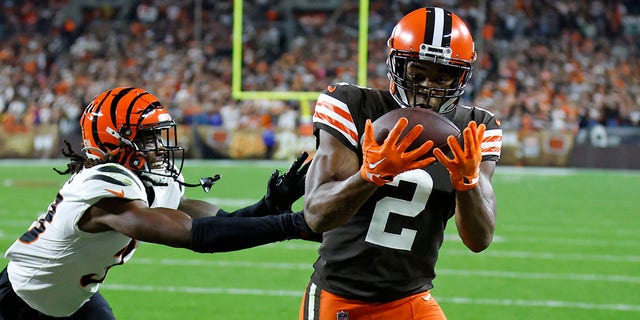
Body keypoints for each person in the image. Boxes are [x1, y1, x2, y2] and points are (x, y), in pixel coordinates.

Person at [0, 86, 317, 319]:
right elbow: (192, 235)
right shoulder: (100, 188)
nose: (161, 148)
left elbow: (221, 220)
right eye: (148, 138)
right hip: (20, 301)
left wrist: (269, 206)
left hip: (72, 299)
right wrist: (292, 225)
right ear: (114, 143)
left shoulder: (149, 181)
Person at [300, 7, 503, 320]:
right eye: (417, 73)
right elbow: (316, 215)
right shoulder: (352, 106)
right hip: (342, 298)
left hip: (412, 298)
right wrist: (370, 175)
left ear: (461, 76)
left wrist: (467, 183)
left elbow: (479, 239)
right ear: (395, 64)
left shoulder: (475, 127)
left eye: (442, 76)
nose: (426, 89)